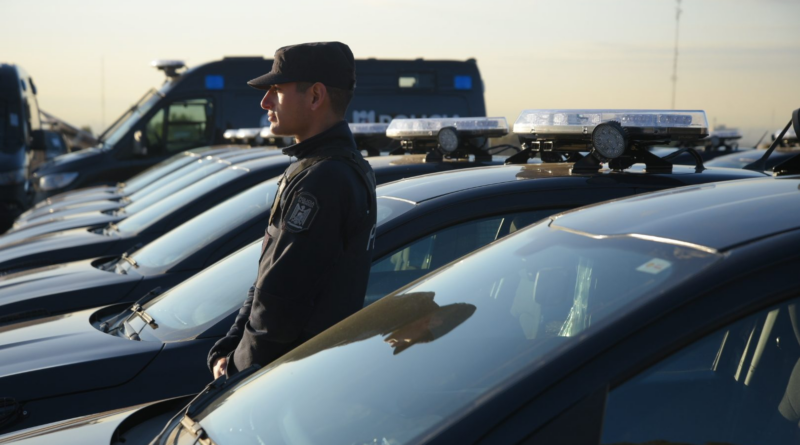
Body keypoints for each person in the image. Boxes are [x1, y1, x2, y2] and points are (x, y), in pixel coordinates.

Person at [207, 41, 377, 378]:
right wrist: (229, 346)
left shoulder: (325, 179)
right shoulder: (322, 169)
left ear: (315, 96)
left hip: (292, 379)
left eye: (277, 91)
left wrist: (237, 370)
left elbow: (280, 302)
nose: (265, 102)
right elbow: (267, 278)